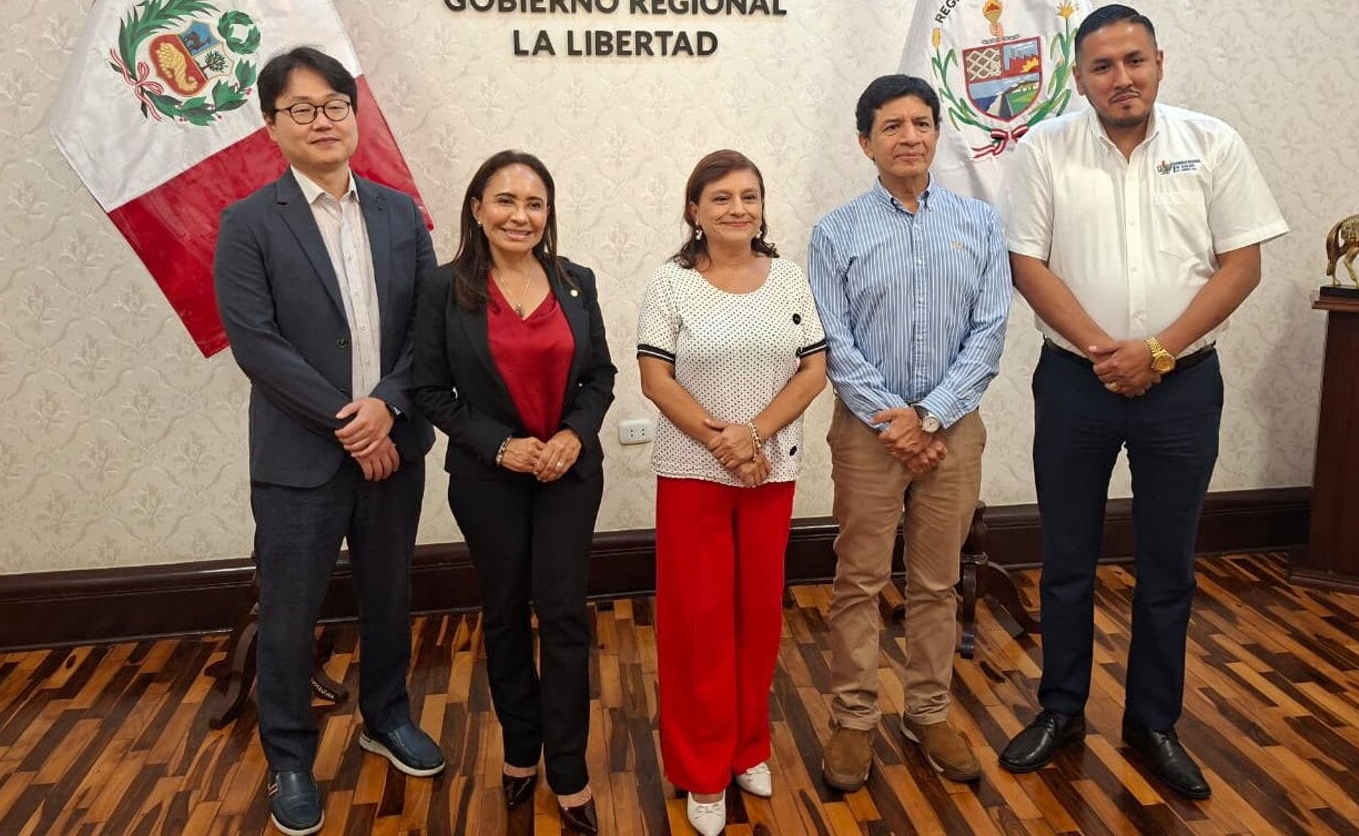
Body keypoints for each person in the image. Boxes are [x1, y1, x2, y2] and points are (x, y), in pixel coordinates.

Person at [998, 4, 1287, 798]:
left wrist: (1156, 352)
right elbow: (1028, 263)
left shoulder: (1212, 143)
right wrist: (1106, 351)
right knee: (1065, 558)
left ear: (1160, 60)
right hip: (1074, 382)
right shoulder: (1044, 148)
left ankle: (1153, 721)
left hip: (1183, 386)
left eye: (1134, 60)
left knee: (1168, 563)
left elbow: (1241, 264)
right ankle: (1061, 708)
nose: (1121, 77)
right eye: (1102, 65)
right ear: (1079, 77)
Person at [213, 46, 444, 836]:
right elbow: (257, 344)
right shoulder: (247, 224)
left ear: (355, 114)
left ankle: (387, 715)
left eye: (335, 104)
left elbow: (426, 326)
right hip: (300, 460)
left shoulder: (399, 212)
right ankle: (288, 755)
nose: (323, 120)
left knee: (389, 596)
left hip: (395, 444)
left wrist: (387, 405)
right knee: (288, 614)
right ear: (272, 124)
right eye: (302, 109)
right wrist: (353, 421)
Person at [809, 75, 1012, 791]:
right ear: (865, 142)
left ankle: (928, 710)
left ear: (937, 133)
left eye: (921, 122)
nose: (909, 136)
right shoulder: (834, 232)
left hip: (952, 430)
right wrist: (895, 420)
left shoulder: (980, 223)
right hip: (869, 434)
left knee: (936, 580)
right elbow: (833, 340)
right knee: (859, 579)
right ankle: (853, 719)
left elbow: (990, 333)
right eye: (891, 125)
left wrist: (931, 416)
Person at [412, 151, 615, 834]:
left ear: (548, 213)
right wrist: (501, 444)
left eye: (534, 203)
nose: (520, 214)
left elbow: (601, 377)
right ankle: (520, 750)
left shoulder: (576, 282)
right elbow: (429, 390)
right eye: (504, 200)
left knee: (561, 616)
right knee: (503, 614)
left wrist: (573, 436)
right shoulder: (444, 288)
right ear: (477, 209)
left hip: (568, 476)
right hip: (488, 480)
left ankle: (568, 766)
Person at [637, 150, 828, 836]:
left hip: (770, 472)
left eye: (749, 195)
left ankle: (748, 747)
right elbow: (655, 378)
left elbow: (814, 368)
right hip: (694, 475)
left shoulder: (790, 279)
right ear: (695, 209)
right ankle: (701, 768)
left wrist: (756, 435)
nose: (738, 208)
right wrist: (725, 442)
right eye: (721, 197)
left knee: (757, 617)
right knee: (699, 625)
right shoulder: (672, 283)